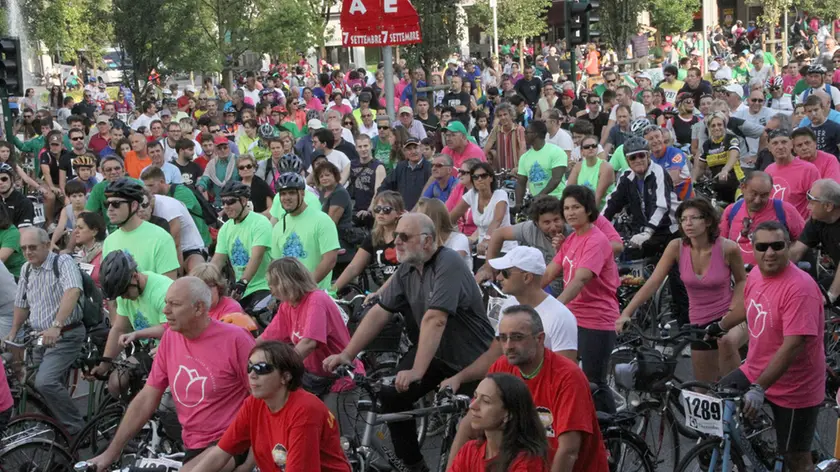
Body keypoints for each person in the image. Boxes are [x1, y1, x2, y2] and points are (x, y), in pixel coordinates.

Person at [323, 213, 494, 472]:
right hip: (438, 354)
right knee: (391, 396)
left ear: (427, 241)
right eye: (395, 236)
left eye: (404, 237)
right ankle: (415, 467)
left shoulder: (447, 262)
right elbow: (381, 311)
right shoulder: (408, 268)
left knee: (480, 430)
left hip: (472, 358)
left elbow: (435, 319)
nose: (396, 242)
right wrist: (348, 354)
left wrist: (417, 371)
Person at [86, 277, 256, 472]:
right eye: (166, 302)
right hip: (193, 444)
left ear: (199, 308)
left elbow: (266, 400)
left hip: (233, 441)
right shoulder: (171, 338)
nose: (166, 310)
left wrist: (251, 461)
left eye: (174, 304)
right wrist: (110, 453)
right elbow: (147, 397)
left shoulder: (236, 340)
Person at [712, 221, 824, 472]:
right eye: (762, 247)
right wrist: (718, 326)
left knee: (797, 459)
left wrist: (759, 387)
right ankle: (758, 447)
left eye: (777, 245)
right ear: (753, 248)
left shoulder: (800, 288)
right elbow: (746, 306)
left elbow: (793, 345)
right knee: (719, 399)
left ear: (788, 247)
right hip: (755, 369)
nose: (770, 252)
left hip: (795, 386)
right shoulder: (755, 274)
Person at [446, 306, 609, 472]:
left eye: (517, 337)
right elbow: (469, 425)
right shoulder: (502, 366)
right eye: (503, 338)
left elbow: (569, 451)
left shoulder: (567, 377)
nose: (508, 345)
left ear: (539, 339)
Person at [617, 198, 746, 383]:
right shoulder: (676, 247)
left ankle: (737, 400)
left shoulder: (728, 248)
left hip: (729, 317)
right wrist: (627, 313)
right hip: (698, 321)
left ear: (708, 221)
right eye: (684, 219)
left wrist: (732, 312)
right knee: (703, 389)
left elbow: (742, 281)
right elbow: (653, 282)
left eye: (694, 218)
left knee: (727, 363)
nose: (688, 223)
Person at [196, 341, 350, 471]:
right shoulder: (254, 403)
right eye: (250, 367)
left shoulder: (305, 410)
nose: (252, 375)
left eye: (261, 369)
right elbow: (221, 453)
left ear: (285, 376)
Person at [541, 185, 620, 412]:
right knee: (569, 379)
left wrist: (554, 306)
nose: (570, 212)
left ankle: (612, 434)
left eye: (576, 207)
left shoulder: (596, 240)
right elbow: (549, 273)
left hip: (597, 319)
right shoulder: (572, 239)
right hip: (572, 318)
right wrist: (521, 298)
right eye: (566, 208)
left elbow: (580, 280)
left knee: (595, 382)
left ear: (588, 210)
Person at [6, 227, 86, 436]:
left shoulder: (62, 262)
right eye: (23, 248)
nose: (28, 252)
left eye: (32, 247)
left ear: (46, 245)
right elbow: (21, 303)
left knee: (46, 381)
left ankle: (76, 428)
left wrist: (56, 325)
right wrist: (13, 333)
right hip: (39, 336)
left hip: (66, 334)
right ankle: (56, 422)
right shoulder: (26, 269)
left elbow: (73, 290)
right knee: (30, 380)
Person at [260, 258, 362, 405]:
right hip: (314, 378)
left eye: (274, 283)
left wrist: (282, 368)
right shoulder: (287, 305)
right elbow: (266, 338)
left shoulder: (316, 300)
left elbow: (309, 343)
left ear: (287, 283)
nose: (270, 288)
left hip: (339, 378)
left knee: (336, 426)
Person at [89, 250, 172, 385]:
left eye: (124, 292)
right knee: (117, 381)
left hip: (171, 349)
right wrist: (104, 365)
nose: (123, 297)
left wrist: (137, 334)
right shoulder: (125, 293)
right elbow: (119, 329)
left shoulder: (162, 291)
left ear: (134, 276)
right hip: (148, 352)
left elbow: (169, 329)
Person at [449, 373, 550, 471]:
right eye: (475, 397)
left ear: (509, 414)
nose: (472, 406)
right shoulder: (469, 450)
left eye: (485, 401)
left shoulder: (527, 462)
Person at [271, 173, 340, 290]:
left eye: (292, 193)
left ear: (302, 193)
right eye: (283, 194)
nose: (287, 197)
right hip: (289, 297)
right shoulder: (278, 227)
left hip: (315, 294)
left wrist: (304, 288)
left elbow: (330, 260)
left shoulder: (322, 220)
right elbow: (276, 265)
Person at [211, 181, 272, 311]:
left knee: (256, 318)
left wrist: (243, 282)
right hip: (241, 290)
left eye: (231, 201)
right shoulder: (225, 228)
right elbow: (217, 260)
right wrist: (203, 280)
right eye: (223, 202)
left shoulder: (260, 222)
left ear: (244, 201)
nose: (226, 206)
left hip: (264, 286)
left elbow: (257, 256)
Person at [101, 178, 180, 278]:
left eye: (116, 204)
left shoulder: (161, 238)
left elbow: (169, 285)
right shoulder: (109, 241)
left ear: (134, 206)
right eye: (107, 204)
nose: (110, 209)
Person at [331, 191, 404, 294]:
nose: (381, 213)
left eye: (387, 210)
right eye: (377, 209)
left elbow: (402, 273)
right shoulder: (373, 237)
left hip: (403, 292)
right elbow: (353, 268)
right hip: (383, 294)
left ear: (399, 213)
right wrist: (332, 291)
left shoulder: (404, 236)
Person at [450, 162, 517, 257]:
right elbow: (452, 216)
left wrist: (486, 240)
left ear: (491, 178)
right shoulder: (471, 195)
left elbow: (497, 220)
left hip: (504, 249)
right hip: (481, 251)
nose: (479, 179)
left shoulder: (500, 194)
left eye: (483, 176)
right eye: (475, 177)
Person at [765, 128, 821, 219]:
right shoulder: (768, 170)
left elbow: (818, 202)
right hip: (773, 228)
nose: (780, 147)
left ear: (791, 144)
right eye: (775, 143)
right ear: (769, 147)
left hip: (800, 228)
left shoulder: (808, 170)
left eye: (784, 142)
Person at [692, 112, 744, 205]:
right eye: (713, 126)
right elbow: (700, 167)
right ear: (709, 128)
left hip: (736, 184)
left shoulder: (731, 138)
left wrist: (725, 170)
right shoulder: (707, 144)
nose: (716, 128)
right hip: (718, 187)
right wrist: (693, 179)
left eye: (719, 124)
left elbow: (734, 155)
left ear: (724, 126)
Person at [515, 121, 567, 210]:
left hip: (557, 201)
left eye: (526, 132)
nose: (524, 135)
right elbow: (521, 182)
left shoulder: (556, 152)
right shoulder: (524, 157)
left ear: (535, 134)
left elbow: (556, 179)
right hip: (537, 204)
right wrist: (518, 203)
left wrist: (539, 197)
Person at [415, 197, 472, 271]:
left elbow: (452, 266)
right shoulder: (423, 241)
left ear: (433, 220)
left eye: (420, 218)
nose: (416, 222)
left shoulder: (459, 239)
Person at [376, 137, 431, 211]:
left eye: (415, 148)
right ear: (404, 152)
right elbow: (384, 186)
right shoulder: (400, 167)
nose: (413, 151)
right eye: (409, 149)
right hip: (401, 213)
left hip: (422, 213)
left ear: (421, 148)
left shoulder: (430, 168)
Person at [567, 134, 614, 208]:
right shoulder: (578, 167)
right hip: (583, 209)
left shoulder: (606, 167)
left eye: (594, 146)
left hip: (602, 212)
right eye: (586, 147)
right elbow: (568, 192)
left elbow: (598, 197)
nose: (591, 148)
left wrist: (589, 217)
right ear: (581, 151)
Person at [69, 211, 106, 286]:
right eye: (76, 227)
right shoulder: (80, 254)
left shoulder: (105, 253)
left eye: (80, 228)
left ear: (94, 232)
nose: (76, 231)